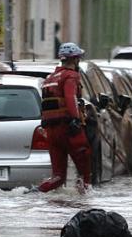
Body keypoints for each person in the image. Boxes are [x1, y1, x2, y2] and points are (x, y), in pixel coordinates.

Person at [36, 42, 92, 193]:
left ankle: (37, 192)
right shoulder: (71, 76)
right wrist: (75, 118)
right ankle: (85, 197)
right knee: (84, 164)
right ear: (75, 59)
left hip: (51, 130)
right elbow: (70, 97)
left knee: (58, 177)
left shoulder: (50, 78)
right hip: (68, 127)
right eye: (78, 58)